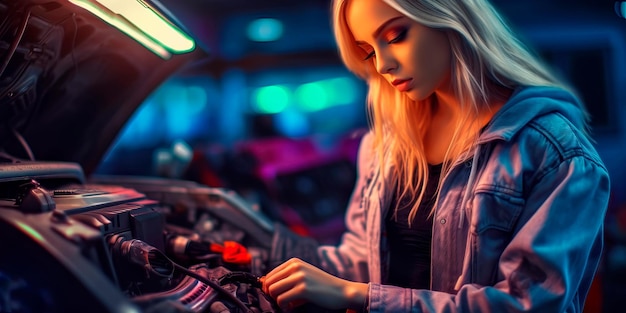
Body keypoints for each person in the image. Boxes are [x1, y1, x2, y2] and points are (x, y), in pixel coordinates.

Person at [260, 0, 611, 312]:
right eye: (368, 51)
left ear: (448, 15)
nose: (383, 65)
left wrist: (360, 296)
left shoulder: (555, 152)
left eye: (396, 36)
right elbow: (361, 263)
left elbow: (527, 303)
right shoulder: (387, 143)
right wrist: (259, 244)